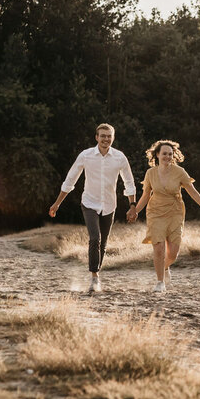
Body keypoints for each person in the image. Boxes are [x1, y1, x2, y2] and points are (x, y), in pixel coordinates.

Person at [49, 123, 136, 293]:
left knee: (103, 243)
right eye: (102, 136)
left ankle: (96, 273)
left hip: (109, 205)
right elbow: (70, 179)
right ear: (96, 137)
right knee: (94, 238)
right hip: (89, 203)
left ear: (113, 138)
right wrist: (57, 203)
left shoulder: (119, 157)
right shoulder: (86, 155)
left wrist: (132, 205)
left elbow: (129, 182)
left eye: (109, 136)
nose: (106, 139)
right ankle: (94, 277)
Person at [127, 139, 200, 293]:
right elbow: (146, 196)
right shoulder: (150, 173)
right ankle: (160, 282)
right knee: (159, 247)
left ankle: (165, 266)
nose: (167, 156)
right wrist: (135, 211)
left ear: (173, 155)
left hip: (175, 213)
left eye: (170, 154)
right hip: (155, 213)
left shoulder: (180, 172)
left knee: (173, 253)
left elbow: (193, 191)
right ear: (157, 155)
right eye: (164, 154)